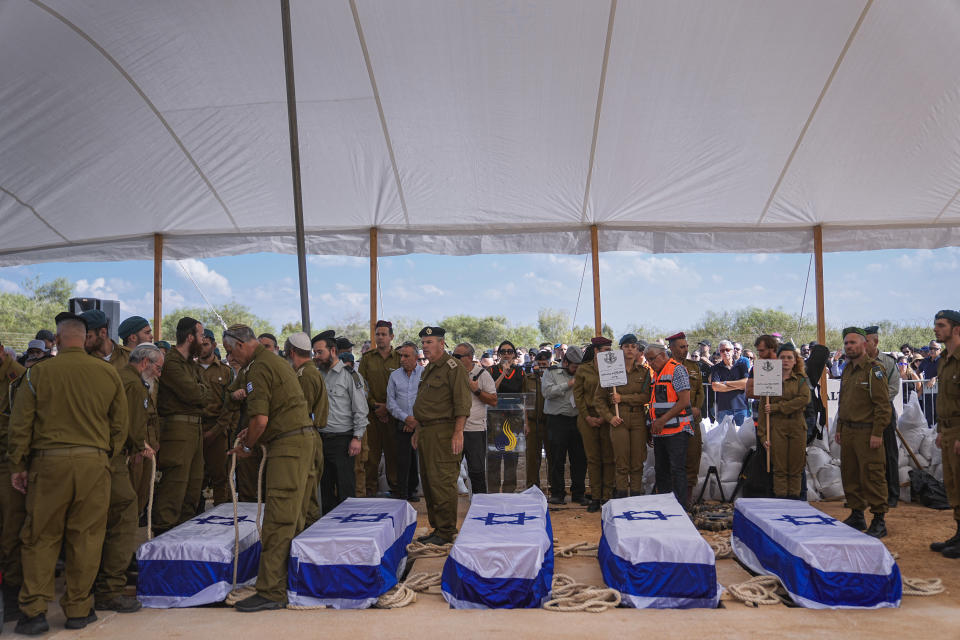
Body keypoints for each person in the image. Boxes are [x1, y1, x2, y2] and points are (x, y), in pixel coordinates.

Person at [8, 312, 126, 634]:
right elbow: (120, 425)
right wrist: (104, 456)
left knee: (41, 537)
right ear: (85, 337)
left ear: (57, 341)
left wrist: (18, 465)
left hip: (49, 464)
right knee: (87, 538)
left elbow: (20, 425)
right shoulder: (107, 373)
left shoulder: (38, 374)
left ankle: (34, 613)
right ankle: (78, 610)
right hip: (94, 464)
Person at [222, 324, 315, 612]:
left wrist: (248, 445)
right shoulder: (274, 361)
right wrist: (252, 436)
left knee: (278, 520)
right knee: (295, 517)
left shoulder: (259, 368)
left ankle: (272, 590)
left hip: (288, 448)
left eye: (229, 352)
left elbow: (260, 420)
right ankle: (290, 581)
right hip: (298, 442)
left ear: (239, 345)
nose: (230, 359)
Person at [94, 343, 161, 613]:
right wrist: (138, 446)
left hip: (101, 455)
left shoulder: (118, 375)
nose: (158, 373)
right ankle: (110, 588)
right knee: (126, 512)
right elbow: (131, 424)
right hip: (116, 457)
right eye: (157, 367)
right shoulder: (134, 384)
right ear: (145, 362)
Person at [412, 327, 471, 545]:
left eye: (429, 342)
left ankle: (446, 531)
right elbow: (426, 403)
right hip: (427, 431)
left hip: (444, 432)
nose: (424, 346)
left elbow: (462, 403)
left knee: (443, 481)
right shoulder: (429, 369)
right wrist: (419, 429)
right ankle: (438, 528)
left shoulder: (453, 368)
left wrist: (458, 432)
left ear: (441, 343)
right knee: (428, 481)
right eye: (423, 342)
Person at [153, 317, 211, 534]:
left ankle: (183, 536)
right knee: (175, 486)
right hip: (177, 430)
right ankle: (163, 534)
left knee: (193, 486)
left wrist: (200, 393)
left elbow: (207, 394)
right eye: (201, 335)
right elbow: (194, 393)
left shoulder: (190, 364)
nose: (203, 340)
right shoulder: (172, 362)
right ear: (190, 337)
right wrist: (200, 393)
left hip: (195, 428)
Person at [836, 327, 891, 538]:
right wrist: (840, 428)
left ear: (864, 344)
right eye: (846, 343)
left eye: (853, 343)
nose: (849, 346)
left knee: (872, 474)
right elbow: (843, 402)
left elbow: (882, 406)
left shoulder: (874, 370)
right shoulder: (847, 370)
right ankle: (857, 514)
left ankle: (879, 519)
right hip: (849, 431)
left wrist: (877, 432)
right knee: (850, 474)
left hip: (867, 432)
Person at [315, 333, 367, 513]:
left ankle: (347, 528)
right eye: (314, 352)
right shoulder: (317, 375)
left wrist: (357, 437)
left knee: (346, 489)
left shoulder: (350, 375)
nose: (316, 357)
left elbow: (360, 408)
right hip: (320, 438)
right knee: (325, 489)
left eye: (320, 352)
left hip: (343, 440)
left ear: (333, 351)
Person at [596, 335, 652, 498]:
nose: (630, 349)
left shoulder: (644, 372)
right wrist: (609, 417)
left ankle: (635, 495)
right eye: (626, 346)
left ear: (637, 350)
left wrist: (623, 398)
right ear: (620, 349)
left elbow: (646, 397)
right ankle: (621, 496)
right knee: (621, 462)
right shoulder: (609, 370)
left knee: (637, 462)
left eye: (633, 346)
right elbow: (598, 399)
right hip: (618, 419)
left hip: (638, 419)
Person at [756, 343, 810, 499]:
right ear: (777, 360)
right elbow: (762, 409)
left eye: (789, 357)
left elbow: (804, 400)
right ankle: (780, 504)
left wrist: (777, 407)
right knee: (779, 468)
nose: (786, 360)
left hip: (797, 426)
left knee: (796, 468)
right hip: (777, 427)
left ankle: (793, 503)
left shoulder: (801, 380)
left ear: (795, 361)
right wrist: (763, 435)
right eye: (782, 357)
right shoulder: (768, 379)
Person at [284, 332, 327, 528]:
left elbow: (302, 411)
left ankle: (306, 536)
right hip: (309, 436)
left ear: (291, 352)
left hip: (306, 437)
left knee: (306, 494)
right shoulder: (308, 372)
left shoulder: (306, 375)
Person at [645, 343, 693, 509]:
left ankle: (681, 507)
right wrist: (652, 424)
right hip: (660, 431)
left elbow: (684, 401)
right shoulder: (656, 374)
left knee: (677, 469)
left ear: (663, 355)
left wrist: (662, 420)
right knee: (661, 470)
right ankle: (666, 506)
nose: (650, 363)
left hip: (677, 430)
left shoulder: (676, 369)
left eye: (652, 359)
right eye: (648, 360)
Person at [358, 320, 401, 498]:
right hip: (372, 414)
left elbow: (404, 386)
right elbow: (361, 386)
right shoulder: (367, 359)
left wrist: (389, 407)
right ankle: (370, 488)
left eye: (384, 334)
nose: (380, 337)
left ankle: (396, 488)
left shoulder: (399, 358)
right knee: (371, 454)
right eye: (378, 334)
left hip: (395, 415)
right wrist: (375, 405)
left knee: (394, 453)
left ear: (391, 337)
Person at [0, 339, 26, 617]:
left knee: (11, 531)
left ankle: (13, 592)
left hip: (8, 462)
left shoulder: (17, 378)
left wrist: (19, 463)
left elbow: (22, 424)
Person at [931, 310, 960, 558]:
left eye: (941, 325)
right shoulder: (944, 359)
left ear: (957, 329)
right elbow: (944, 400)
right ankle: (959, 534)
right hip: (948, 429)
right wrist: (941, 430)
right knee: (952, 484)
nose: (935, 329)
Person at [542, 346, 587, 507]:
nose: (577, 370)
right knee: (556, 458)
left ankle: (579, 493)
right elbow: (546, 392)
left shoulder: (583, 373)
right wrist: (568, 384)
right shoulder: (551, 372)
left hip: (577, 420)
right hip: (557, 421)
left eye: (579, 367)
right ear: (566, 362)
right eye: (575, 367)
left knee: (579, 458)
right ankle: (557, 493)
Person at [198, 329, 237, 507]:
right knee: (196, 475)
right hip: (196, 427)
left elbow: (230, 404)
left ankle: (221, 512)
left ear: (214, 345)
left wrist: (219, 430)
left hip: (218, 428)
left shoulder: (226, 371)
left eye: (206, 344)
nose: (202, 348)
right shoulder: (190, 369)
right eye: (200, 344)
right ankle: (194, 512)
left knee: (220, 475)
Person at [574, 337, 615, 507]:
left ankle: (607, 496)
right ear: (596, 351)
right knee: (593, 459)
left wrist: (606, 416)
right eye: (606, 350)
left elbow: (615, 395)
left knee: (608, 457)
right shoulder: (583, 369)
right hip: (587, 417)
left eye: (610, 350)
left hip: (608, 417)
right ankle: (596, 496)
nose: (609, 353)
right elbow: (578, 396)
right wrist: (588, 417)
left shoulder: (614, 368)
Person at [864, 326, 902, 507]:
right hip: (862, 417)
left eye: (867, 341)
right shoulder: (857, 363)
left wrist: (875, 403)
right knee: (865, 455)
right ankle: (867, 494)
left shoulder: (887, 362)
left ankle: (892, 494)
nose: (863, 345)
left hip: (884, 413)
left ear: (875, 342)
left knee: (889, 454)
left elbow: (893, 388)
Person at [452, 342, 496, 494]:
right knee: (450, 471)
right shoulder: (450, 373)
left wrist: (477, 391)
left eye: (458, 356)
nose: (454, 359)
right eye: (453, 356)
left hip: (475, 430)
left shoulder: (483, 374)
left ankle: (480, 505)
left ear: (470, 357)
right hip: (453, 429)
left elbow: (493, 400)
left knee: (476, 471)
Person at [386, 341, 425, 501]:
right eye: (401, 355)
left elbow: (426, 400)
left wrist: (416, 421)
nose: (402, 359)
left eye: (406, 356)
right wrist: (407, 419)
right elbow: (390, 402)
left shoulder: (424, 374)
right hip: (402, 422)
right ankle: (402, 492)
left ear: (416, 357)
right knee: (402, 459)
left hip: (421, 424)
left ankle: (414, 491)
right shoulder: (394, 376)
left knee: (418, 460)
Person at [667, 332, 704, 502]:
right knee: (674, 460)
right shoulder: (666, 366)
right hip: (674, 421)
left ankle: (687, 500)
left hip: (692, 421)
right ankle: (672, 497)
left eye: (687, 346)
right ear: (672, 348)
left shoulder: (694, 367)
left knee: (692, 457)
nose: (686, 350)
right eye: (682, 347)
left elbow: (700, 392)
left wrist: (697, 408)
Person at [487, 340, 524, 493]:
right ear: (499, 354)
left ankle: (509, 489)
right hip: (495, 419)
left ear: (514, 354)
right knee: (494, 456)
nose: (507, 354)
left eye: (510, 351)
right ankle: (494, 490)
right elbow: (491, 390)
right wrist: (503, 373)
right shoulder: (491, 370)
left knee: (511, 456)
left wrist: (526, 422)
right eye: (503, 351)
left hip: (514, 418)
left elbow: (524, 397)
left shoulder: (520, 372)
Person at [523, 350, 551, 489]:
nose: (541, 366)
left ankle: (555, 489)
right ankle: (532, 487)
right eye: (539, 364)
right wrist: (526, 423)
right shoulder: (528, 379)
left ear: (549, 364)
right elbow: (524, 403)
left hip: (550, 422)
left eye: (544, 364)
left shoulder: (553, 378)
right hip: (533, 423)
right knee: (532, 458)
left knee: (552, 457)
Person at [710, 339, 749, 425]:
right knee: (724, 437)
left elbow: (745, 384)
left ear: (732, 351)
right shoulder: (715, 368)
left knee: (742, 437)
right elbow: (715, 387)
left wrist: (725, 383)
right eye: (722, 350)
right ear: (719, 352)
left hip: (741, 408)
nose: (725, 352)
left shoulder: (742, 366)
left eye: (727, 349)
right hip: (724, 409)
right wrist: (738, 384)